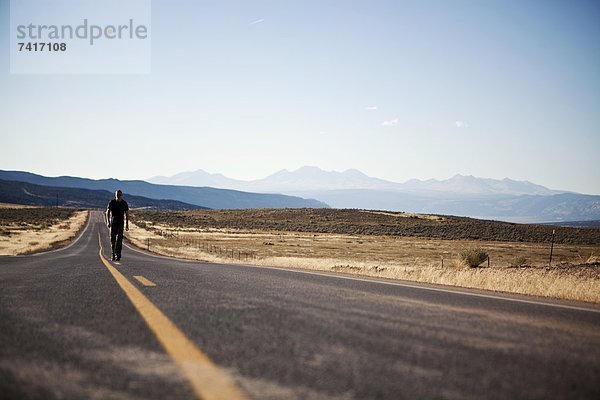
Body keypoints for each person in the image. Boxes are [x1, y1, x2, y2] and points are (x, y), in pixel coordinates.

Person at [106, 190, 129, 261]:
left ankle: (118, 255)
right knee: (113, 240)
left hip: (120, 224)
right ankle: (113, 254)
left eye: (120, 195)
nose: (119, 196)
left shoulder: (124, 203)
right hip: (113, 223)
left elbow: (127, 214)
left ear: (122, 195)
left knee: (119, 240)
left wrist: (127, 224)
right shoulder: (112, 202)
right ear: (115, 195)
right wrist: (108, 221)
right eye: (117, 195)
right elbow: (107, 212)